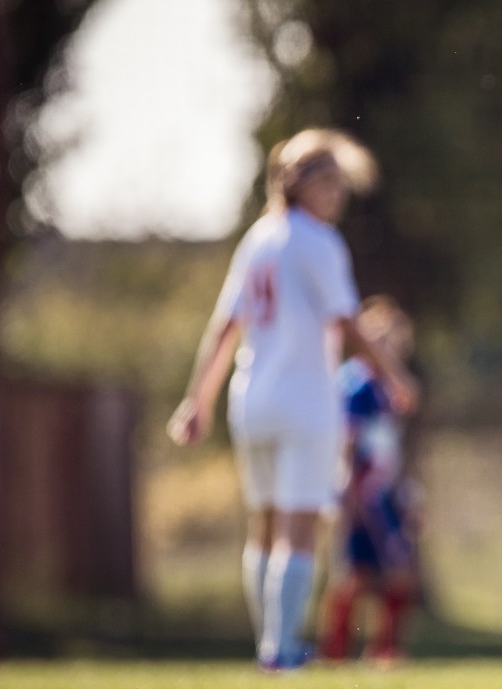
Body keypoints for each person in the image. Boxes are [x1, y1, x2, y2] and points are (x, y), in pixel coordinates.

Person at [169, 128, 416, 672]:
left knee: (263, 523)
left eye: (340, 184)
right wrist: (396, 376)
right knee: (297, 526)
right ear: (293, 181)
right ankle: (280, 651)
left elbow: (224, 327)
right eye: (325, 182)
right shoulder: (318, 241)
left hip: (250, 398)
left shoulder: (258, 239)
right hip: (305, 401)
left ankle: (269, 644)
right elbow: (349, 321)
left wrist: (198, 400)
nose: (336, 194)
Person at [320, 296, 421, 667]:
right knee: (358, 576)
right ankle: (337, 653)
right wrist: (347, 491)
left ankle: (382, 650)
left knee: (389, 573)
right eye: (379, 340)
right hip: (363, 493)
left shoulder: (386, 388)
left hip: (385, 491)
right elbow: (348, 440)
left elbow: (391, 445)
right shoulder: (355, 383)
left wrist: (408, 491)